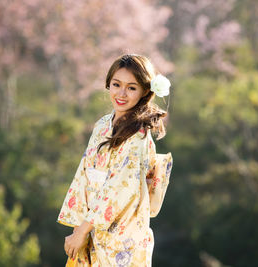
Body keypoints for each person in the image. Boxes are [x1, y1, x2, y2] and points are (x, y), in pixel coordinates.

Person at [57, 54, 173, 266]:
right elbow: (83, 174)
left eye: (131, 87)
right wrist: (78, 228)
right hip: (91, 227)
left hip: (123, 234)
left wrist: (83, 228)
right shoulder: (102, 124)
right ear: (108, 84)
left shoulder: (138, 135)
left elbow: (121, 187)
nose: (121, 93)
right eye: (116, 84)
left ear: (145, 91)